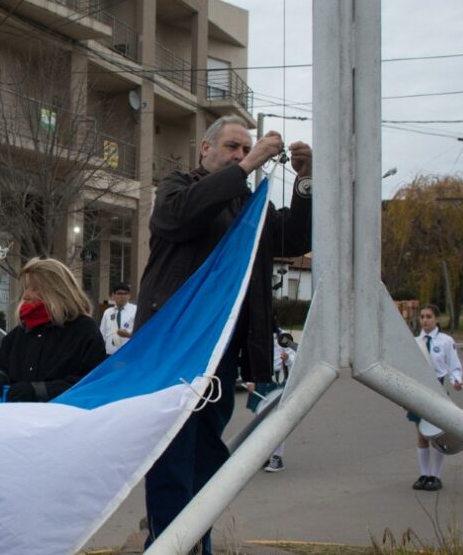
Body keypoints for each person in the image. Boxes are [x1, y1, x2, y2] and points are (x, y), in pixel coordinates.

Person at [135, 116, 312, 551]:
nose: (240, 155)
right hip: (175, 346)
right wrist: (247, 166)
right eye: (233, 146)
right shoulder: (177, 187)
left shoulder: (246, 204)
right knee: (172, 454)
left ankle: (198, 542)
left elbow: (292, 238)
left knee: (208, 455)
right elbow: (179, 218)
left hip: (221, 349)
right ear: (205, 147)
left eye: (245, 149)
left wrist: (305, 182)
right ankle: (168, 542)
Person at [0, 258, 107, 402]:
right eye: (25, 288)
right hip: (18, 414)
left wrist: (39, 391)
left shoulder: (84, 330)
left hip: (65, 414)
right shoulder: (18, 334)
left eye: (34, 289)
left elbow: (92, 383)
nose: (26, 295)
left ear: (57, 290)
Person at [409, 304, 463, 492]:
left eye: (429, 316)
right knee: (421, 433)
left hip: (438, 388)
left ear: (436, 319)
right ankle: (424, 474)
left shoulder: (446, 341)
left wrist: (457, 381)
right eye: (422, 317)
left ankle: (436, 476)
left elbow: (454, 367)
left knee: (437, 435)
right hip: (420, 390)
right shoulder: (415, 342)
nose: (424, 320)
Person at [245, 333, 296, 473]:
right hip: (262, 381)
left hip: (279, 381)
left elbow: (297, 360)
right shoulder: (257, 332)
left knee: (276, 421)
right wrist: (249, 381)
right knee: (261, 421)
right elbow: (251, 358)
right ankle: (266, 454)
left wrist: (288, 359)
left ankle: (277, 457)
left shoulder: (284, 337)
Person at [100, 282, 137, 355]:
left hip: (128, 354)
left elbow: (142, 333)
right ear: (113, 295)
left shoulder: (136, 310)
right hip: (109, 355)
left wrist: (129, 335)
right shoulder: (108, 312)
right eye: (119, 293)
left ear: (129, 296)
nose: (123, 296)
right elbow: (102, 334)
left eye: (125, 294)